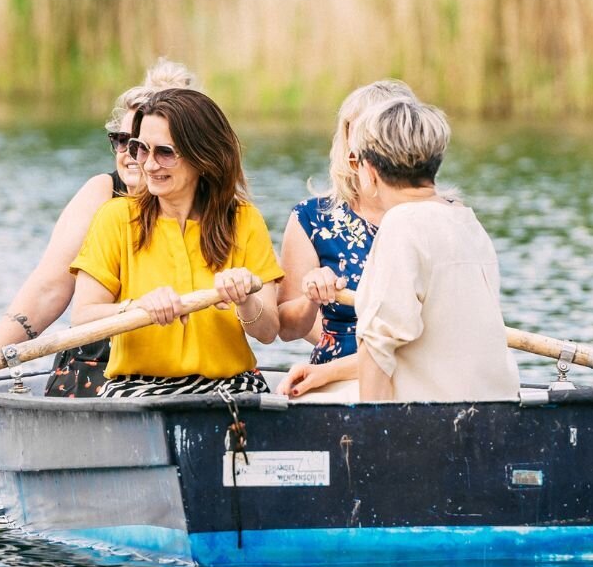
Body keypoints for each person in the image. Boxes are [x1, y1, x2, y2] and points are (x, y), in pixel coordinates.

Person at [0, 59, 196, 406]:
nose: (134, 156)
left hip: (190, 364)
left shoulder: (213, 205)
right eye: (121, 141)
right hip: (103, 366)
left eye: (147, 145)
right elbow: (49, 288)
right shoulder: (102, 193)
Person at [68, 87, 285, 398]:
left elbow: (268, 332)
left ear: (203, 156)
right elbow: (82, 317)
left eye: (165, 152)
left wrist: (245, 299)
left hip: (232, 389)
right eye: (140, 148)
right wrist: (137, 307)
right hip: (138, 388)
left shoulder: (245, 220)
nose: (149, 165)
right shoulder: (115, 218)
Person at [346, 98, 520, 402]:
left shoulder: (401, 225)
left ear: (369, 170)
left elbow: (376, 347)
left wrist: (373, 443)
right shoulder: (465, 219)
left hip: (433, 415)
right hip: (493, 405)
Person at [275, 79, 416, 401]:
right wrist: (313, 296)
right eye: (356, 133)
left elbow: (429, 340)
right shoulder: (312, 217)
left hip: (415, 374)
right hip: (335, 380)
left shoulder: (437, 216)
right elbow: (287, 328)